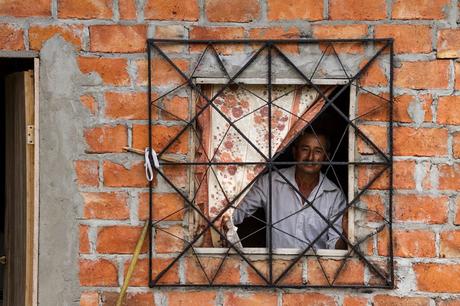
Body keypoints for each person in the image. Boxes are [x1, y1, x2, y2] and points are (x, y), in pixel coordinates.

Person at [220, 129, 347, 250]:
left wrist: (346, 234)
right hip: (277, 269)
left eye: (318, 151)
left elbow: (335, 249)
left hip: (317, 270)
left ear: (326, 157)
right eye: (305, 149)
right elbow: (234, 214)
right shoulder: (270, 182)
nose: (310, 157)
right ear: (294, 152)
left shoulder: (334, 196)